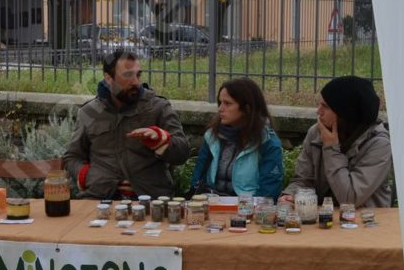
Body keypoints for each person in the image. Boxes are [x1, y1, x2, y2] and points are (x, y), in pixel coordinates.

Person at [63, 49, 189, 198]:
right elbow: (72, 157)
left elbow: (183, 153)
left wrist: (162, 140)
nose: (136, 82)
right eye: (128, 75)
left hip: (149, 200)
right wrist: (88, 176)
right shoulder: (89, 112)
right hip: (99, 197)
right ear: (109, 79)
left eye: (138, 75)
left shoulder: (158, 107)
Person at [280, 75, 392, 208]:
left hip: (365, 221)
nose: (318, 111)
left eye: (325, 106)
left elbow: (350, 199)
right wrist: (290, 195)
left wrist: (331, 148)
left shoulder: (379, 145)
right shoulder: (316, 133)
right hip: (324, 218)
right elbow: (303, 180)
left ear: (346, 114)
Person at [190, 78, 284, 198]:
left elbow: (268, 192)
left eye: (227, 103)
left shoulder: (267, 143)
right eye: (220, 103)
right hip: (212, 203)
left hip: (248, 209)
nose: (220, 109)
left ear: (247, 108)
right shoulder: (212, 136)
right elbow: (198, 179)